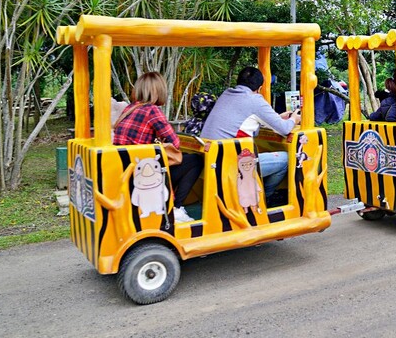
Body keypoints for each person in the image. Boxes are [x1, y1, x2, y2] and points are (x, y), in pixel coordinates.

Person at [201, 67, 301, 201]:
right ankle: (266, 197)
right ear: (259, 88)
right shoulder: (255, 100)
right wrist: (294, 119)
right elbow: (284, 129)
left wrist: (276, 117)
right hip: (231, 165)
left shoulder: (226, 94)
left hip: (210, 159)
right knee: (287, 158)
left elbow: (246, 120)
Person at [114, 72, 202, 223]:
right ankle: (176, 208)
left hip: (126, 168)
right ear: (158, 91)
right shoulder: (152, 110)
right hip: (144, 173)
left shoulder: (129, 108)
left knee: (184, 160)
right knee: (195, 160)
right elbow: (175, 143)